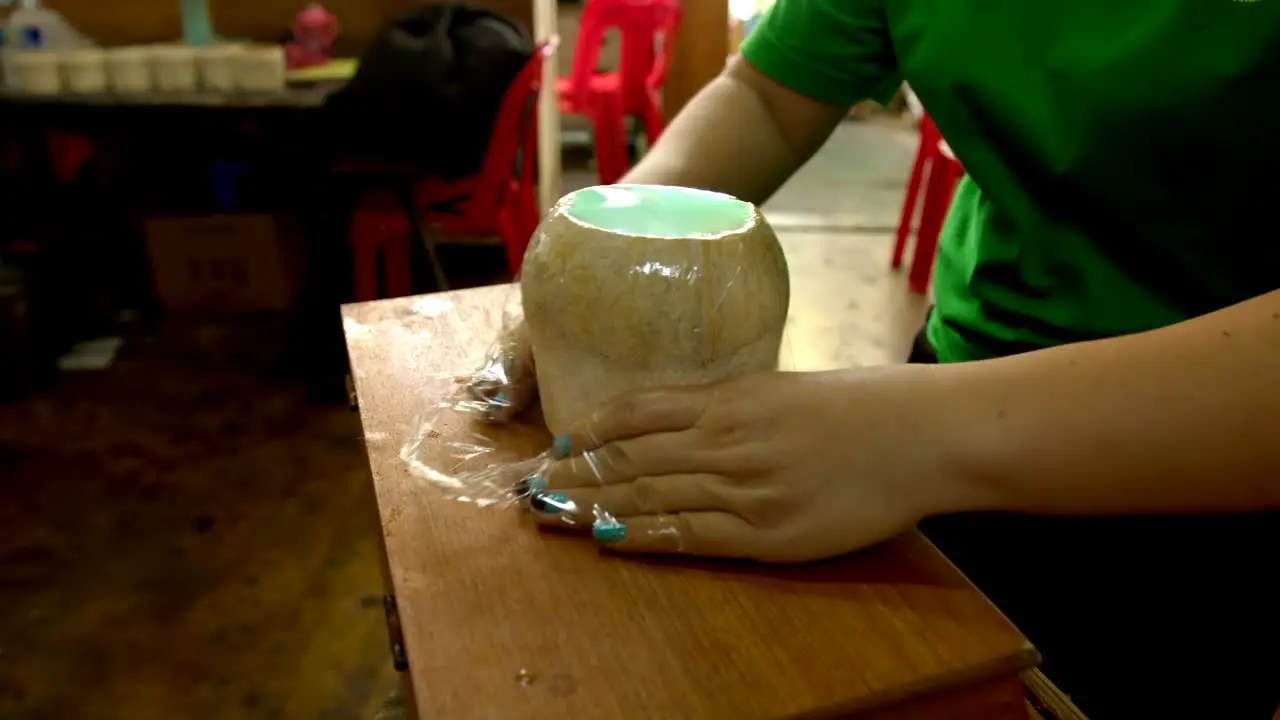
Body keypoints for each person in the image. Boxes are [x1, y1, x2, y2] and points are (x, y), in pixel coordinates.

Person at [482, 2, 1280, 717]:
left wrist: (915, 433)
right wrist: (601, 248)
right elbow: (768, 96)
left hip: (1209, 473)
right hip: (958, 384)